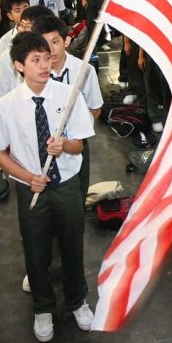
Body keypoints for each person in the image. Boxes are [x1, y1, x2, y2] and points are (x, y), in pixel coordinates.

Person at [0, 32, 96, 342]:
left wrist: (64, 146)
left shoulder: (69, 95)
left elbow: (80, 146)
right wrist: (26, 176)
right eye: (36, 60)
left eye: (47, 58)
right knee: (35, 248)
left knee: (73, 244)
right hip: (30, 187)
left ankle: (77, 300)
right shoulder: (7, 106)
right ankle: (43, 308)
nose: (45, 65)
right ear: (19, 66)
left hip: (67, 185)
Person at [31, 15, 102, 203]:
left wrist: (76, 135)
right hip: (42, 141)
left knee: (78, 191)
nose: (50, 49)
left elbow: (95, 109)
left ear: (67, 41)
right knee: (43, 192)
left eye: (55, 42)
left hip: (76, 143)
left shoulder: (84, 70)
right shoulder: (32, 74)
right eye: (44, 43)